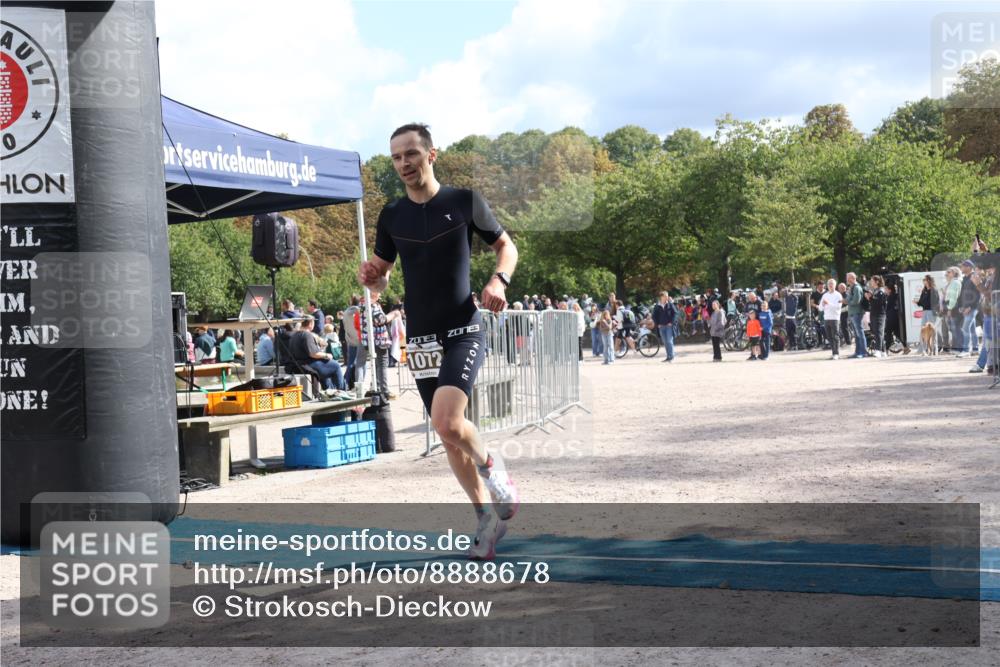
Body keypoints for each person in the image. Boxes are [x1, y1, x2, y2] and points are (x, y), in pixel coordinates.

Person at [359, 122, 519, 561]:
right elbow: (383, 274)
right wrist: (374, 278)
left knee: (448, 422)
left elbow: (507, 247)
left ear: (431, 155)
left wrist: (499, 281)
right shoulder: (392, 215)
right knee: (448, 436)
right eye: (396, 157)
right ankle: (485, 519)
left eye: (411, 153)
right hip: (422, 337)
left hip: (463, 327)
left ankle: (493, 469)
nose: (404, 163)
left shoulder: (464, 201)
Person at [356, 292, 399, 397]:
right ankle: (384, 391)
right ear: (374, 293)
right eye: (379, 293)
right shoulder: (372, 305)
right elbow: (380, 320)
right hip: (379, 339)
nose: (380, 295)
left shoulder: (361, 305)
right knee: (382, 364)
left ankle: (376, 387)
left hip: (367, 339)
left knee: (375, 364)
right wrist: (394, 314)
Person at [289, 314, 345, 391]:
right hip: (308, 364)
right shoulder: (307, 334)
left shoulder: (294, 335)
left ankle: (328, 391)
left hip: (298, 364)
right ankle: (341, 391)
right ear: (310, 323)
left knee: (327, 367)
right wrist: (327, 355)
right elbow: (313, 354)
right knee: (335, 365)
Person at [956, 259, 980, 358]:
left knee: (965, 328)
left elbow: (978, 295)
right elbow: (962, 294)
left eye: (962, 266)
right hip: (966, 308)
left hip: (973, 308)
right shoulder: (965, 278)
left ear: (969, 267)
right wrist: (961, 306)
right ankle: (975, 349)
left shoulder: (974, 277)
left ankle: (966, 350)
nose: (961, 268)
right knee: (972, 329)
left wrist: (970, 307)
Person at [913, 275, 940, 355]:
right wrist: (917, 302)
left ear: (929, 280)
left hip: (931, 312)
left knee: (932, 332)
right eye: (923, 280)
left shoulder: (934, 290)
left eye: (925, 280)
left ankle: (934, 350)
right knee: (923, 331)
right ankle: (924, 350)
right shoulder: (924, 290)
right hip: (925, 311)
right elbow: (921, 302)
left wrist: (935, 310)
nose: (924, 281)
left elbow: (936, 302)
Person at [819, 278, 843, 359]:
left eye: (832, 284)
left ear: (835, 285)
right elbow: (820, 308)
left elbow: (838, 307)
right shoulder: (825, 295)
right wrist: (823, 304)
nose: (830, 285)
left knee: (835, 336)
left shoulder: (838, 295)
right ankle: (833, 352)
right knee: (829, 337)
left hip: (835, 318)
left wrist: (828, 303)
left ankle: (836, 353)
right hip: (826, 318)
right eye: (829, 284)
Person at [846, 272, 867, 359]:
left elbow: (856, 301)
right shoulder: (852, 287)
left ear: (852, 278)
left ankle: (863, 352)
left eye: (848, 278)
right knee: (856, 334)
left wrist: (847, 301)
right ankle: (858, 352)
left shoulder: (857, 288)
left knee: (860, 333)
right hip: (853, 313)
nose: (847, 279)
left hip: (857, 313)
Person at [342, 296, 361, 388]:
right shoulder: (360, 311)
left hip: (350, 339)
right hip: (360, 339)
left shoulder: (346, 312)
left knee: (351, 363)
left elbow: (345, 326)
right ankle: (355, 383)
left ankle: (345, 383)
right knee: (359, 363)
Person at [652, 291, 676, 362]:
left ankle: (671, 357)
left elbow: (675, 313)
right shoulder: (657, 306)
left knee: (669, 341)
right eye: (665, 296)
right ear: (661, 297)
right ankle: (668, 356)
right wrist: (657, 324)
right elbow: (654, 316)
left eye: (667, 296)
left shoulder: (670, 305)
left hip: (669, 326)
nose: (667, 297)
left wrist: (671, 322)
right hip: (661, 327)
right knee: (665, 342)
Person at [943, 266, 963, 352]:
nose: (947, 273)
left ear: (954, 273)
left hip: (953, 307)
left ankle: (959, 348)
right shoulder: (951, 283)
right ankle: (957, 347)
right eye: (947, 272)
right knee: (953, 329)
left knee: (955, 329)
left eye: (949, 272)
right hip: (951, 306)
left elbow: (953, 297)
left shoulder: (955, 282)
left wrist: (950, 309)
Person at [868, 275, 887, 358]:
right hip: (874, 313)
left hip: (880, 314)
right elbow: (873, 303)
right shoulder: (875, 291)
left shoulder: (881, 291)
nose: (870, 282)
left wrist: (870, 298)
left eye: (872, 281)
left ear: (877, 282)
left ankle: (878, 350)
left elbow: (879, 303)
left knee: (879, 332)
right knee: (877, 332)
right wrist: (870, 298)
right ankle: (883, 351)